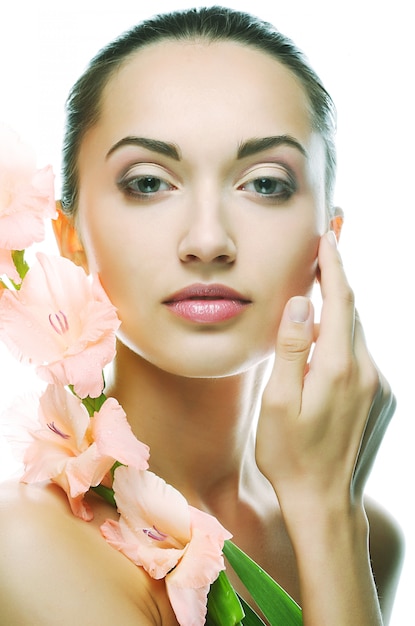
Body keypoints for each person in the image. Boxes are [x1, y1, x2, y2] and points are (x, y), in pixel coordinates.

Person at [0, 6, 404, 625]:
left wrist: (328, 516)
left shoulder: (368, 534)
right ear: (69, 233)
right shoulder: (25, 543)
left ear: (329, 236)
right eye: (148, 182)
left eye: (266, 184)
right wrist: (329, 515)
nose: (208, 239)